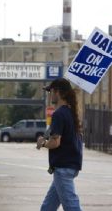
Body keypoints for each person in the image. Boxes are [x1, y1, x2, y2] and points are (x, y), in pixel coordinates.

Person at [37, 78, 83, 211]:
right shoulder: (71, 112)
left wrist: (43, 143)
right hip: (70, 165)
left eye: (50, 91)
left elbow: (55, 143)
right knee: (47, 207)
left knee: (72, 207)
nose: (49, 94)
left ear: (58, 93)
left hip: (63, 167)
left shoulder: (59, 114)